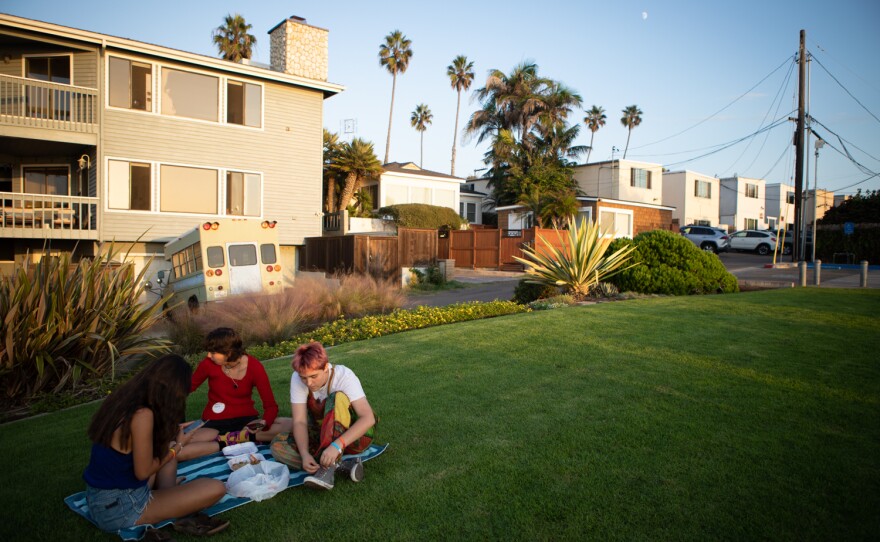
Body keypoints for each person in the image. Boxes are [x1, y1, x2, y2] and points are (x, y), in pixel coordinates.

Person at [82, 354, 228, 536]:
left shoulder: (125, 399)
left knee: (166, 457)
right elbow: (143, 472)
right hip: (121, 507)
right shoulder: (142, 415)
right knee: (216, 488)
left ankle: (170, 498)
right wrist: (178, 447)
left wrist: (170, 438)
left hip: (100, 497)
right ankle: (175, 509)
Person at [270, 341, 376, 490]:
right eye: (303, 378)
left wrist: (337, 445)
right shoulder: (297, 377)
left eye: (314, 376)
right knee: (277, 446)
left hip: (353, 437)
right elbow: (300, 421)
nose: (308, 382)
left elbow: (368, 418)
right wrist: (305, 454)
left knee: (337, 397)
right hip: (321, 433)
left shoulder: (344, 375)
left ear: (326, 367)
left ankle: (326, 471)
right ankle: (339, 465)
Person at [180, 327, 290, 461]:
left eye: (213, 352)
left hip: (246, 422)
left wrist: (263, 423)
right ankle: (233, 440)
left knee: (291, 425)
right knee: (179, 443)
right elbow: (187, 388)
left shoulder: (255, 367)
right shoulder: (208, 364)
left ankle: (226, 441)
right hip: (214, 422)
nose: (209, 355)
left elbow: (271, 406)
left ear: (228, 352)